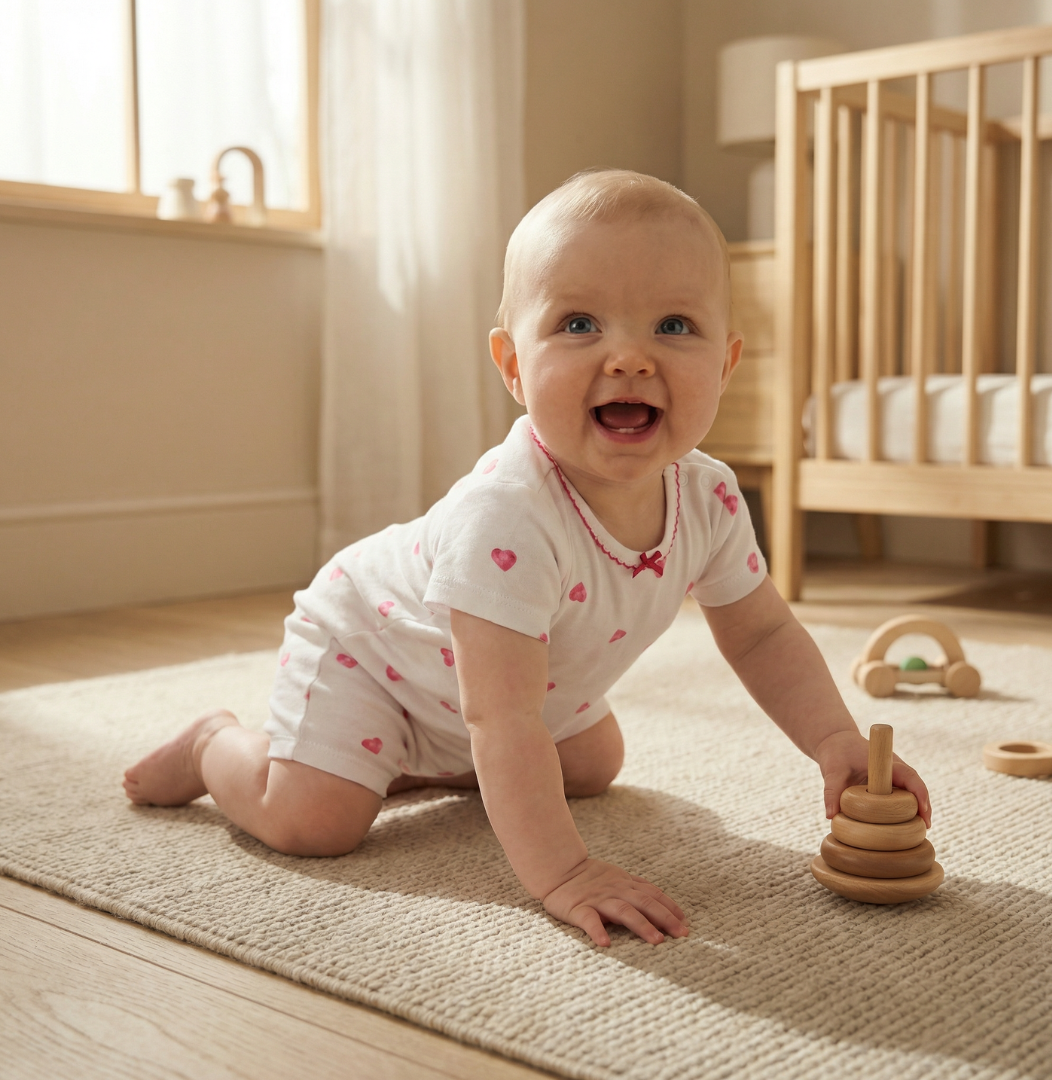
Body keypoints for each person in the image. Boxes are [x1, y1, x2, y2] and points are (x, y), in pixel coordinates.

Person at [125, 169, 931, 948]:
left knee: (590, 762)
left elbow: (759, 636)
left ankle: (417, 758)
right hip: (374, 651)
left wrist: (834, 739)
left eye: (674, 327)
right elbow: (501, 717)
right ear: (513, 366)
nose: (629, 358)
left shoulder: (710, 498)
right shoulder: (506, 516)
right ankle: (214, 744)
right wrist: (564, 872)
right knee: (316, 822)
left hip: (493, 690)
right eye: (579, 325)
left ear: (725, 365)